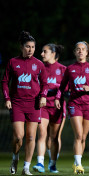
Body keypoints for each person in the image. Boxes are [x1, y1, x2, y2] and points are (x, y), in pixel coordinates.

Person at [2, 31, 48, 175]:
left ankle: (26, 167)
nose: (30, 50)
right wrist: (7, 99)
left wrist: (43, 96)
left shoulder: (39, 64)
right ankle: (15, 157)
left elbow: (45, 83)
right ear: (21, 47)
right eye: (27, 46)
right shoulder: (13, 62)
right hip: (17, 103)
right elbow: (4, 82)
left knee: (31, 137)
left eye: (33, 47)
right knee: (18, 137)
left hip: (33, 104)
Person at [54, 41, 89, 174]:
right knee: (79, 135)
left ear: (87, 53)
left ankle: (77, 161)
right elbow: (62, 87)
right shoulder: (70, 69)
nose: (80, 51)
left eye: (83, 49)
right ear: (75, 52)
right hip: (75, 104)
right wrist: (58, 98)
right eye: (78, 49)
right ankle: (79, 164)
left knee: (84, 137)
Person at [32, 44, 66, 173]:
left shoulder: (63, 69)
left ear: (53, 53)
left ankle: (52, 163)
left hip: (57, 107)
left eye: (44, 51)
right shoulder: (39, 68)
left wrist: (55, 86)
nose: (41, 54)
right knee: (41, 134)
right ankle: (40, 163)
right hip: (43, 106)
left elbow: (66, 88)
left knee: (54, 137)